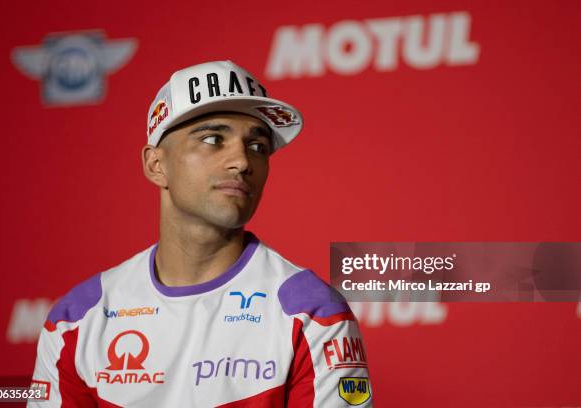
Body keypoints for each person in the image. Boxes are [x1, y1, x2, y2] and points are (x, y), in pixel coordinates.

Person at [29, 60, 372, 407]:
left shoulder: (311, 312)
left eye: (258, 147)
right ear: (156, 165)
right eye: (213, 139)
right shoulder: (76, 319)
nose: (242, 161)